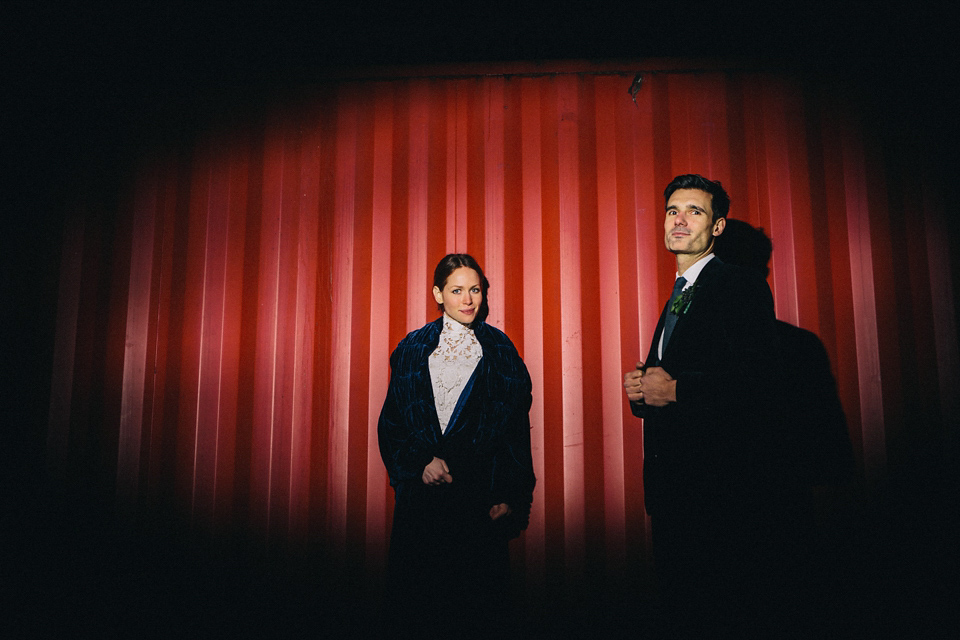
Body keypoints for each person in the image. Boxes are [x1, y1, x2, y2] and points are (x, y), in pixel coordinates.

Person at [623, 175, 785, 636]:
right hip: (674, 489)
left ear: (717, 227)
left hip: (721, 494)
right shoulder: (679, 294)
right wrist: (645, 390)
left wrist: (676, 391)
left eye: (694, 211)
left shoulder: (739, 284)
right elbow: (693, 372)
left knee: (722, 613)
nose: (679, 219)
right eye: (673, 210)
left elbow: (762, 383)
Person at [378, 253, 535, 636]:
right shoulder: (413, 348)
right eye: (457, 290)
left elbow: (515, 431)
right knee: (418, 605)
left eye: (475, 290)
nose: (468, 300)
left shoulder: (500, 351)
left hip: (475, 498)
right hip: (422, 500)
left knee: (475, 608)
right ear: (438, 294)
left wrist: (509, 494)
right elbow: (392, 422)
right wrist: (420, 463)